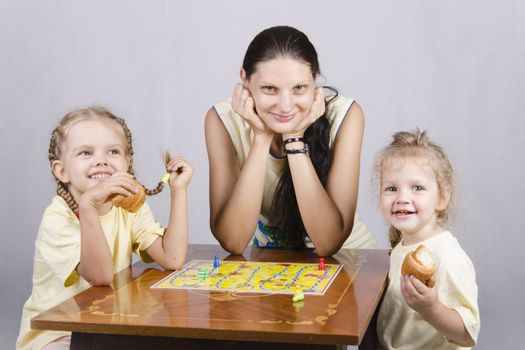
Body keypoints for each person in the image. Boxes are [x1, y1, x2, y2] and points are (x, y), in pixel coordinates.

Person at [16, 106, 193, 350]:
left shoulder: (129, 207)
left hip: (104, 328)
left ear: (127, 163)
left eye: (113, 151)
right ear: (61, 171)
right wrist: (88, 206)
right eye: (85, 153)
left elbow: (172, 258)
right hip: (56, 334)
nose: (101, 160)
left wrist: (179, 190)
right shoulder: (57, 218)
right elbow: (100, 277)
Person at [205, 26, 375, 256]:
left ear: (314, 81)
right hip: (272, 267)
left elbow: (328, 243)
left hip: (348, 260)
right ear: (245, 80)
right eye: (269, 89)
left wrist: (294, 139)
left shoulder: (346, 115)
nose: (285, 106)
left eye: (299, 88)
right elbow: (233, 242)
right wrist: (261, 138)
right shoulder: (222, 120)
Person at [375, 130, 480, 349]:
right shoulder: (402, 247)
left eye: (418, 188)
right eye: (391, 188)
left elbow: (467, 333)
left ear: (442, 197)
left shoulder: (448, 257)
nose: (402, 198)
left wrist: (431, 308)